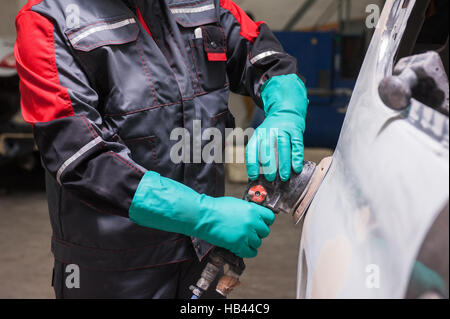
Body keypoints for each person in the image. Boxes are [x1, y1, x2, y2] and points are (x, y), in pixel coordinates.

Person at [15, 0, 308, 298]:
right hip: (112, 271)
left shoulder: (206, 4)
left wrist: (285, 111)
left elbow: (266, 57)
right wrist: (203, 215)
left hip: (204, 254)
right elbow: (80, 158)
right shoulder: (49, 20)